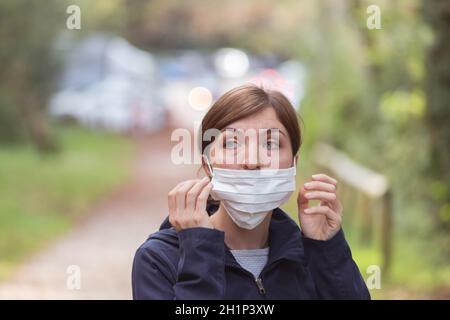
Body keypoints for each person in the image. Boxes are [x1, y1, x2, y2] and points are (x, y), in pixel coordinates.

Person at [132, 84, 370, 300]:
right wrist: (199, 252)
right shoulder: (159, 260)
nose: (253, 160)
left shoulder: (310, 256)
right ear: (208, 166)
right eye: (232, 143)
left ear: (293, 164)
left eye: (271, 144)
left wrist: (326, 249)